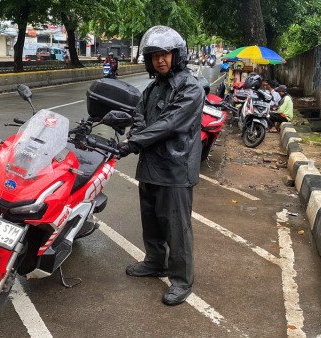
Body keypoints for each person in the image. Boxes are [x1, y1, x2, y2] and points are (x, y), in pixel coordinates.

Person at [117, 25, 204, 306]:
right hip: (151, 166)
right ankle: (156, 262)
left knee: (176, 227)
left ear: (177, 55)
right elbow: (140, 115)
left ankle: (181, 279)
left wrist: (134, 143)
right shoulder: (153, 87)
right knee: (151, 221)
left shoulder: (190, 87)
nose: (160, 60)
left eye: (165, 54)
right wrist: (136, 131)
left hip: (175, 167)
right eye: (154, 56)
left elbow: (170, 124)